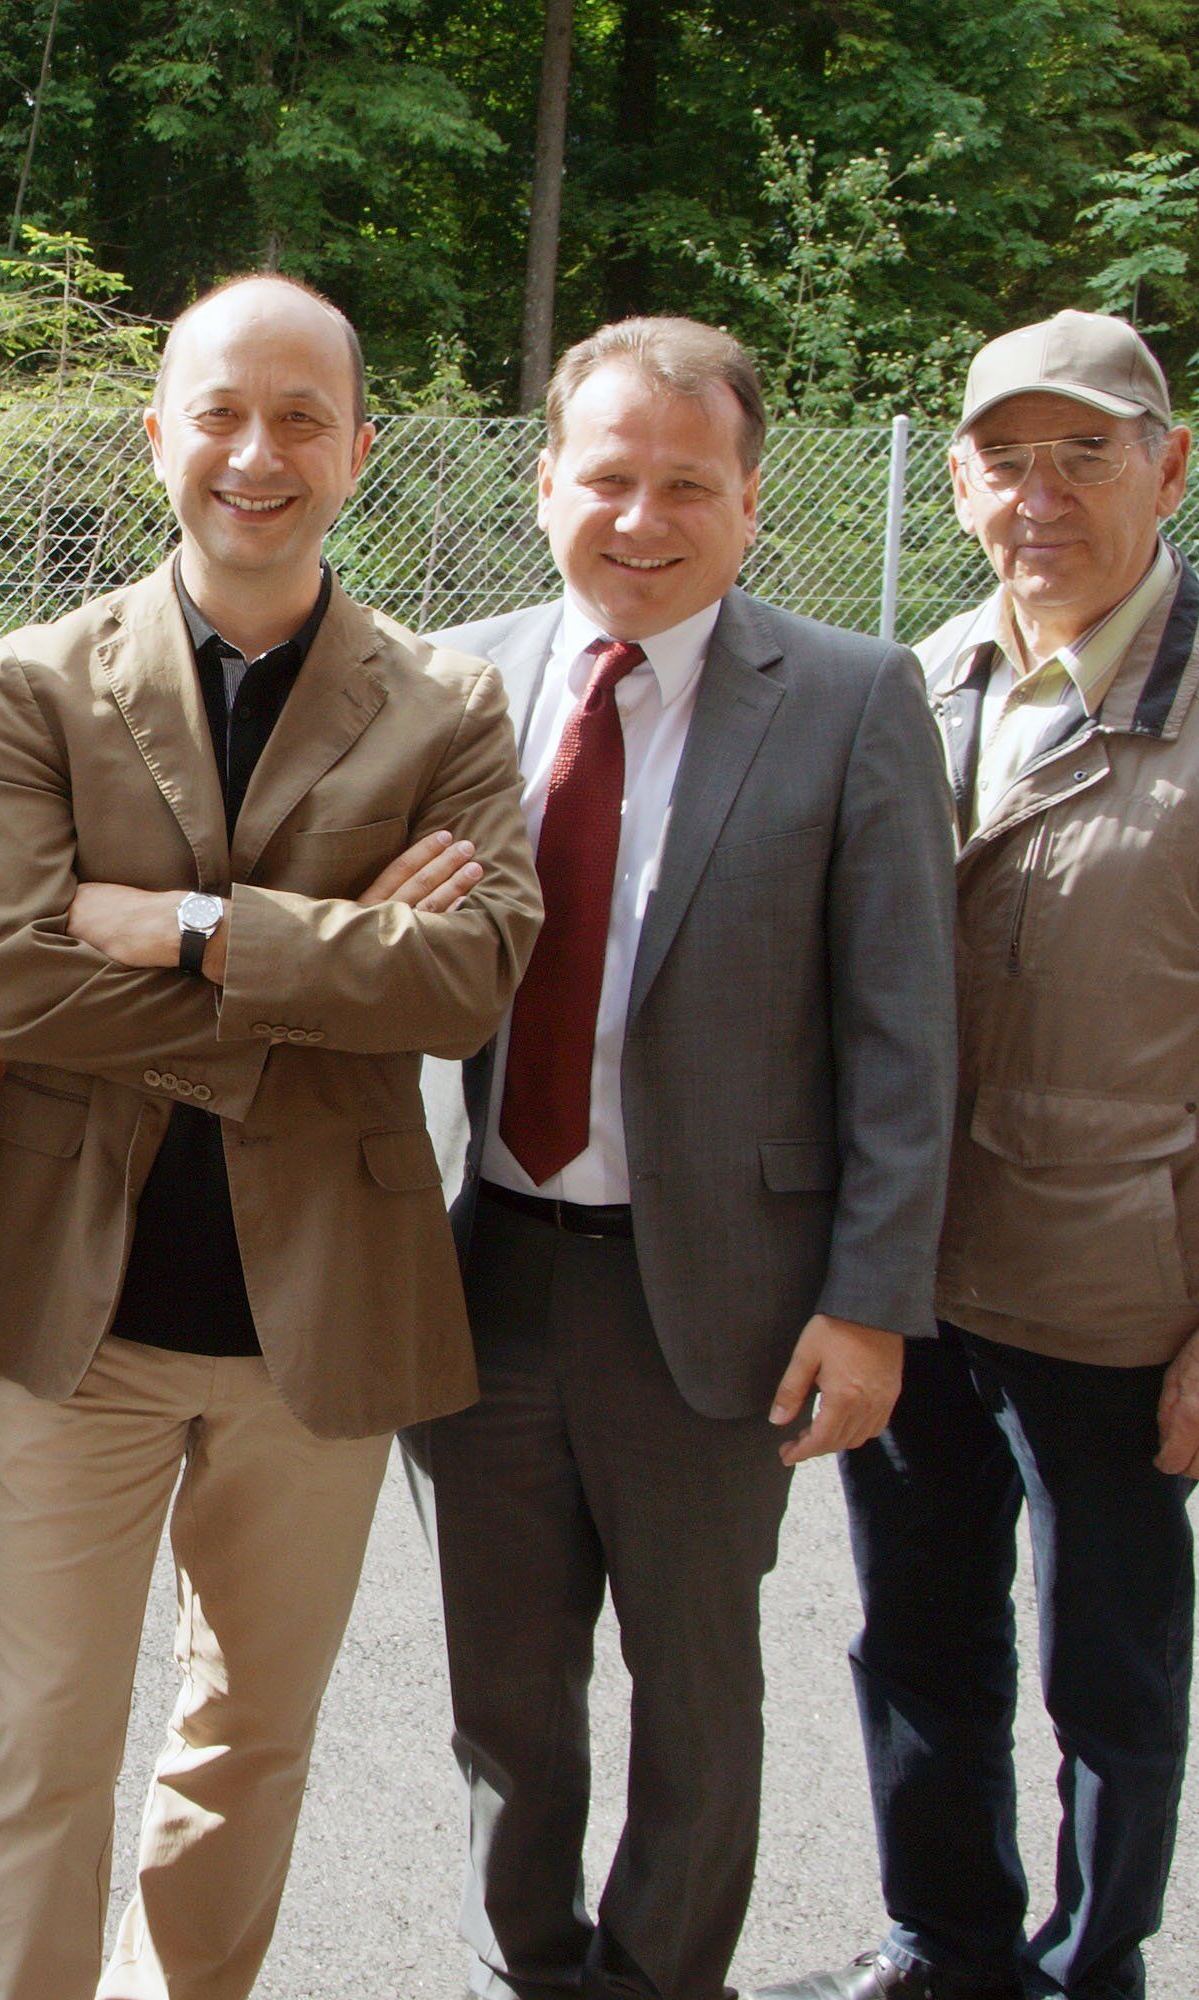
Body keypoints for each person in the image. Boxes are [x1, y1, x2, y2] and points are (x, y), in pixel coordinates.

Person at [755, 312, 1199, 2000]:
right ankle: (945, 1948)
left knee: (1109, 1674)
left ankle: (1088, 1968)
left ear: (1170, 468)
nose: (1040, 496)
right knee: (919, 1645)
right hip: (914, 1284)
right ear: (959, 481)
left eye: (1087, 454)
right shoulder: (921, 683)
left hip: (1124, 1303)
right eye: (1006, 459)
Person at [0, 273, 545, 2000]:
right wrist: (339, 959)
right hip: (80, 1318)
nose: (256, 454)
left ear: (359, 446)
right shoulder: (44, 680)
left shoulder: (446, 702)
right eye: (220, 413)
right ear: (160, 436)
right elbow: (11, 987)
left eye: (300, 418)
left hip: (320, 1325)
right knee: (42, 1744)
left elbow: (470, 980)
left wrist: (196, 927)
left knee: (249, 1742)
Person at [402, 316, 958, 2000]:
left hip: (718, 1297)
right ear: (545, 484)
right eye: (609, 478)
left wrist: (871, 1304)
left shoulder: (852, 699)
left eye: (688, 485)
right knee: (504, 1696)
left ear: (751, 500)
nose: (643, 520)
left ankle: (661, 1982)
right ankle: (531, 1970)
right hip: (479, 1279)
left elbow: (906, 1035)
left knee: (697, 1696)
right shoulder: (446, 681)